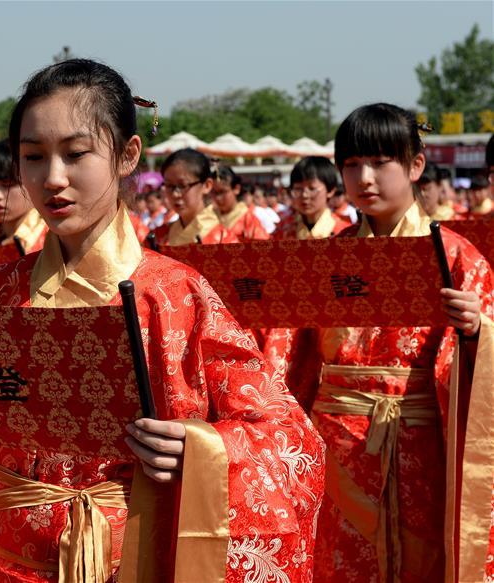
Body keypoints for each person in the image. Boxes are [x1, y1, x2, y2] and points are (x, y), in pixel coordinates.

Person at [0, 59, 323, 581]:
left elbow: (287, 435)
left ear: (127, 155)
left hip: (135, 562)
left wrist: (201, 448)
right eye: (33, 156)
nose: (52, 178)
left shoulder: (176, 295)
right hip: (3, 566)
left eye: (76, 154)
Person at [267, 103, 494, 582]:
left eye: (379, 162)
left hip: (421, 450)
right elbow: (287, 363)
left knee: (421, 562)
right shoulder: (325, 259)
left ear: (415, 165)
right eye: (351, 165)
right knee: (338, 561)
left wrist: (478, 333)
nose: (364, 178)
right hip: (336, 449)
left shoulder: (456, 256)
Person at [150, 148, 237, 246]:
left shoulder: (225, 241)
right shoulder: (156, 238)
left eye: (182, 185)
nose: (175, 194)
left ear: (206, 185)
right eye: (169, 186)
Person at [273, 156, 350, 239]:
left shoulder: (346, 233)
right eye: (298, 189)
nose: (304, 195)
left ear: (330, 190)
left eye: (312, 189)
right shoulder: (282, 230)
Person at [207, 165, 270, 240]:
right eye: (214, 193)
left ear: (236, 189)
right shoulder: (207, 216)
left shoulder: (248, 219)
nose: (218, 198)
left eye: (222, 192)